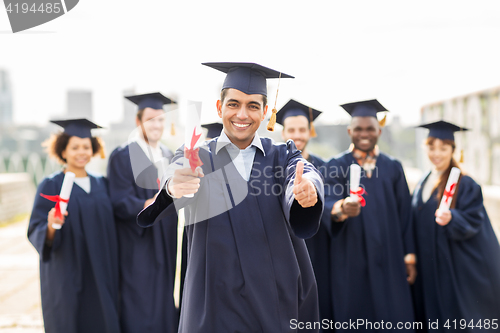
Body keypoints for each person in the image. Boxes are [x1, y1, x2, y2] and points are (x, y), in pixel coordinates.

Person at [138, 62, 325, 332]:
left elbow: (306, 172)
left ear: (265, 112)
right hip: (214, 298)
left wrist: (308, 190)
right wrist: (172, 187)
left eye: (252, 106)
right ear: (219, 107)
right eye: (234, 104)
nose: (242, 114)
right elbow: (174, 173)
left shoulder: (282, 155)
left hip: (272, 297)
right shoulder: (196, 155)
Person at [322, 99, 416, 331]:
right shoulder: (335, 165)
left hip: (389, 257)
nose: (364, 134)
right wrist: (341, 208)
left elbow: (405, 214)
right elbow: (327, 202)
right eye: (358, 129)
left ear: (379, 131)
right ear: (349, 131)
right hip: (351, 257)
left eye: (370, 129)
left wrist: (409, 257)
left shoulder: (393, 167)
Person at [28, 119, 120, 333]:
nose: (82, 152)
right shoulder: (51, 184)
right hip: (67, 271)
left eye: (86, 147)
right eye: (75, 147)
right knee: (69, 321)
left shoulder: (102, 183)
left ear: (94, 149)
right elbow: (37, 229)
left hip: (101, 269)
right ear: (63, 150)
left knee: (103, 319)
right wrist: (51, 225)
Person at [107, 92, 185, 333]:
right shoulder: (122, 155)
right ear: (138, 121)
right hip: (137, 239)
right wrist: (149, 204)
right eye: (151, 119)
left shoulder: (169, 155)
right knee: (138, 295)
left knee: (164, 291)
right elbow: (118, 200)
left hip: (166, 236)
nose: (157, 125)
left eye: (161, 119)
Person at [412, 120, 500, 332]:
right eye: (431, 147)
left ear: (453, 150)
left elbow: (474, 221)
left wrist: (453, 217)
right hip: (428, 267)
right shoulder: (424, 181)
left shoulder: (466, 184)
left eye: (443, 148)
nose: (437, 154)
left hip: (452, 267)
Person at [276, 99, 331, 324]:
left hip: (319, 252)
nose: (297, 135)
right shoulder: (273, 167)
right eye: (291, 130)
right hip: (285, 254)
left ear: (311, 131)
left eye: (302, 129)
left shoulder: (325, 167)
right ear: (283, 133)